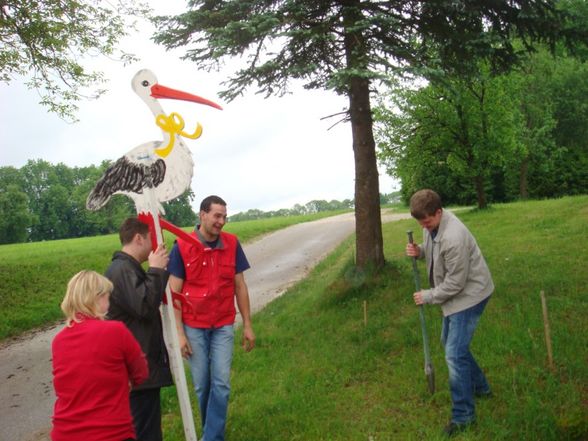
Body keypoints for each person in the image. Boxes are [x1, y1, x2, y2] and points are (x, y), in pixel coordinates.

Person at [405, 189, 494, 437]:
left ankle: (464, 416)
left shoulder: (454, 236)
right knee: (452, 345)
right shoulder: (431, 223)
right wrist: (420, 251)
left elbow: (456, 284)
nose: (423, 225)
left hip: (471, 294)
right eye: (420, 222)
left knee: (454, 354)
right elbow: (434, 247)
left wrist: (428, 295)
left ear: (439, 212)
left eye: (427, 221)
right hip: (457, 294)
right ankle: (481, 388)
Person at [168, 195, 255, 441]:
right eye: (217, 216)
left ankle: (211, 438)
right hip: (193, 326)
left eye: (224, 217)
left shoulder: (232, 243)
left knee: (221, 384)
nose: (222, 222)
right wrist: (179, 334)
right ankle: (213, 433)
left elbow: (240, 286)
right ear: (202, 215)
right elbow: (173, 292)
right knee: (202, 385)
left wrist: (247, 324)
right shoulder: (182, 246)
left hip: (223, 324)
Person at [51, 270, 148, 441]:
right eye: (107, 296)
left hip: (66, 432)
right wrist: (127, 380)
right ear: (98, 298)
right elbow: (141, 372)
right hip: (111, 432)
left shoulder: (58, 341)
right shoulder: (115, 330)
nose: (109, 302)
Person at [105, 217, 173, 441]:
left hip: (140, 367)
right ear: (138, 238)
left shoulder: (127, 268)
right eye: (150, 238)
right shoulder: (122, 270)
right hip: (136, 368)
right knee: (144, 432)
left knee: (147, 428)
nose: (154, 244)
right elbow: (144, 306)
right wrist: (155, 270)